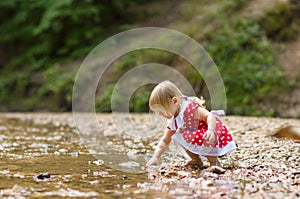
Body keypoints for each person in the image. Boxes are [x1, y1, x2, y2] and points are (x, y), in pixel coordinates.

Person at [146, 80, 237, 168]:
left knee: (195, 136)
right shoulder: (173, 121)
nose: (160, 114)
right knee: (177, 136)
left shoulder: (189, 109)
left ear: (175, 101)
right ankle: (196, 160)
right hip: (197, 135)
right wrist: (155, 157)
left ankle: (214, 163)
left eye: (161, 111)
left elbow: (210, 116)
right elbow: (165, 141)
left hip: (211, 132)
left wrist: (211, 131)